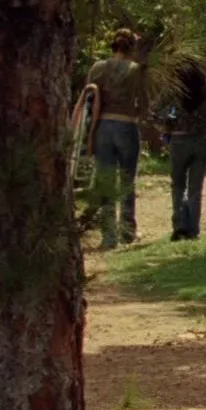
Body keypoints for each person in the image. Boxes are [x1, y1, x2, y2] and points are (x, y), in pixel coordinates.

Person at [85, 29, 150, 248]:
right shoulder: (137, 71)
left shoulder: (98, 68)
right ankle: (127, 231)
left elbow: (89, 98)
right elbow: (144, 103)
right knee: (127, 180)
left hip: (103, 126)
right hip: (126, 124)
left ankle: (108, 236)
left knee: (106, 181)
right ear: (131, 47)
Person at [161, 63, 206, 240]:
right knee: (195, 187)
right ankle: (193, 229)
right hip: (202, 139)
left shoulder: (174, 89)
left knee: (178, 185)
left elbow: (155, 111)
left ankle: (179, 224)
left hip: (179, 139)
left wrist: (165, 127)